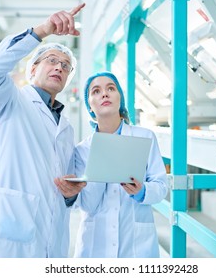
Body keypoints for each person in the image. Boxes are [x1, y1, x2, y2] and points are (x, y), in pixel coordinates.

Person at [0, 3, 86, 258]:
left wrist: (70, 197)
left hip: (54, 239)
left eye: (66, 66)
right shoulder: (8, 100)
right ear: (33, 68)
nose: (59, 67)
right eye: (52, 61)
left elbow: (60, 185)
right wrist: (42, 31)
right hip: (15, 235)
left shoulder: (66, 128)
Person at [55, 71, 168, 257]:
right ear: (90, 106)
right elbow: (87, 205)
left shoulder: (144, 137)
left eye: (110, 88)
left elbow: (161, 187)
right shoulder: (82, 150)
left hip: (136, 246)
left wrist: (142, 192)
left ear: (120, 99)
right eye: (96, 91)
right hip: (95, 247)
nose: (104, 94)